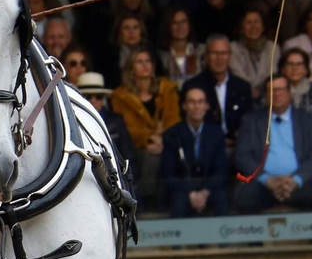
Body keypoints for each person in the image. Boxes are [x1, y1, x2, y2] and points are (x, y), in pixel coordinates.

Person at [232, 75, 312, 212]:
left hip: (299, 181)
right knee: (244, 197)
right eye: (272, 90)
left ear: (289, 92)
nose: (277, 94)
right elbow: (242, 157)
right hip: (262, 183)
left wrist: (295, 180)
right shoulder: (251, 120)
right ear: (266, 95)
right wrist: (267, 180)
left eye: (281, 89)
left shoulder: (307, 119)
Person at [107, 48, 179, 188]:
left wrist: (162, 139)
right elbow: (127, 128)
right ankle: (147, 199)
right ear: (131, 69)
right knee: (150, 158)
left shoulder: (167, 89)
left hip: (167, 142)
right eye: (140, 62)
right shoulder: (120, 96)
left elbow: (173, 119)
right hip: (137, 147)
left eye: (148, 61)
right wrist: (150, 138)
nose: (145, 65)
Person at [160, 84, 230, 218]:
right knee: (179, 201)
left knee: (221, 198)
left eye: (200, 102)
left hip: (209, 188)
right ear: (184, 106)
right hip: (182, 189)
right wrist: (190, 192)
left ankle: (223, 239)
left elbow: (221, 169)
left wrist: (205, 192)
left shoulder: (216, 133)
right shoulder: (172, 134)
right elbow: (167, 173)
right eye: (192, 102)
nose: (196, 106)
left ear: (207, 106)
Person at [181, 34, 253, 136]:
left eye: (223, 53)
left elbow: (249, 124)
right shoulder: (192, 86)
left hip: (238, 146)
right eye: (214, 53)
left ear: (229, 56)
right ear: (206, 56)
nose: (219, 58)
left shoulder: (242, 87)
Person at [72, 71, 137, 168]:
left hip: (114, 176)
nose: (93, 100)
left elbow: (129, 157)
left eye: (98, 96)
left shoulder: (117, 122)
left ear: (103, 99)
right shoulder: (71, 122)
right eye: (88, 97)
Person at [229, 2, 275, 101]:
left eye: (257, 21)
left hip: (268, 97)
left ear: (263, 26)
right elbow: (238, 76)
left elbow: (272, 75)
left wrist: (260, 91)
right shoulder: (233, 48)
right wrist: (252, 89)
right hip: (242, 96)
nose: (253, 26)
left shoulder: (273, 47)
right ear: (241, 28)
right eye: (248, 22)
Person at [279, 48, 312, 135]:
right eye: (290, 64)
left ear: (306, 69)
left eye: (299, 64)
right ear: (283, 69)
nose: (295, 68)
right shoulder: (274, 90)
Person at [159, 6, 202, 83]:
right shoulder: (161, 57)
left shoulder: (201, 52)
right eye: (174, 23)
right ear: (168, 27)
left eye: (183, 22)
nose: (180, 27)